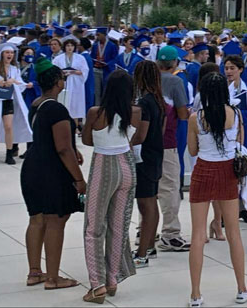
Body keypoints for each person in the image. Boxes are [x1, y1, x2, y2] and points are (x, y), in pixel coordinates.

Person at [187, 72, 247, 306]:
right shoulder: (235, 114)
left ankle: (196, 294)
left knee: (197, 234)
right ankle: (241, 288)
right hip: (227, 172)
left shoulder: (196, 118)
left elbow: (192, 151)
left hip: (203, 171)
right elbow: (240, 144)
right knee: (234, 232)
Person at [20, 57, 84, 291]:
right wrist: (79, 178)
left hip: (32, 166)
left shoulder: (37, 104)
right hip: (51, 170)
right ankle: (54, 278)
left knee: (36, 219)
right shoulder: (57, 109)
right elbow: (63, 148)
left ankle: (35, 271)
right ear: (57, 82)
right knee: (56, 220)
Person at [81, 70, 141, 302]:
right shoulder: (134, 112)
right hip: (126, 165)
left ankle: (97, 285)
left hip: (103, 165)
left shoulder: (96, 113)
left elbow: (87, 140)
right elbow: (133, 138)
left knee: (94, 227)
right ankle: (113, 278)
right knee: (119, 225)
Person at [156, 46, 191, 252]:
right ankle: (170, 233)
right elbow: (182, 112)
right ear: (174, 63)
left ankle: (146, 230)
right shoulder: (175, 81)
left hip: (144, 142)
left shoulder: (146, 79)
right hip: (167, 141)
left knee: (150, 188)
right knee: (169, 187)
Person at [132, 61, 164, 267]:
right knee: (151, 202)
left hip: (143, 158)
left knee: (145, 205)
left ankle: (142, 253)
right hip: (155, 154)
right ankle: (149, 245)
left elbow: (140, 135)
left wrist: (126, 142)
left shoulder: (144, 103)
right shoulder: (158, 101)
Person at [0, 44, 32, 164]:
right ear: (2, 54)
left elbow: (19, 82)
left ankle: (9, 153)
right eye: (7, 52)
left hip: (8, 99)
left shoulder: (15, 69)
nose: (9, 55)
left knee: (8, 126)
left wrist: (15, 82)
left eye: (11, 53)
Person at [53, 35, 89, 126]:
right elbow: (54, 69)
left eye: (72, 46)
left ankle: (76, 125)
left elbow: (85, 70)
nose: (70, 48)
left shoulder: (80, 58)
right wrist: (62, 73)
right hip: (64, 81)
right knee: (64, 101)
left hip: (76, 82)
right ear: (64, 47)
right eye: (68, 46)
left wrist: (75, 72)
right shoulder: (58, 58)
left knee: (75, 103)